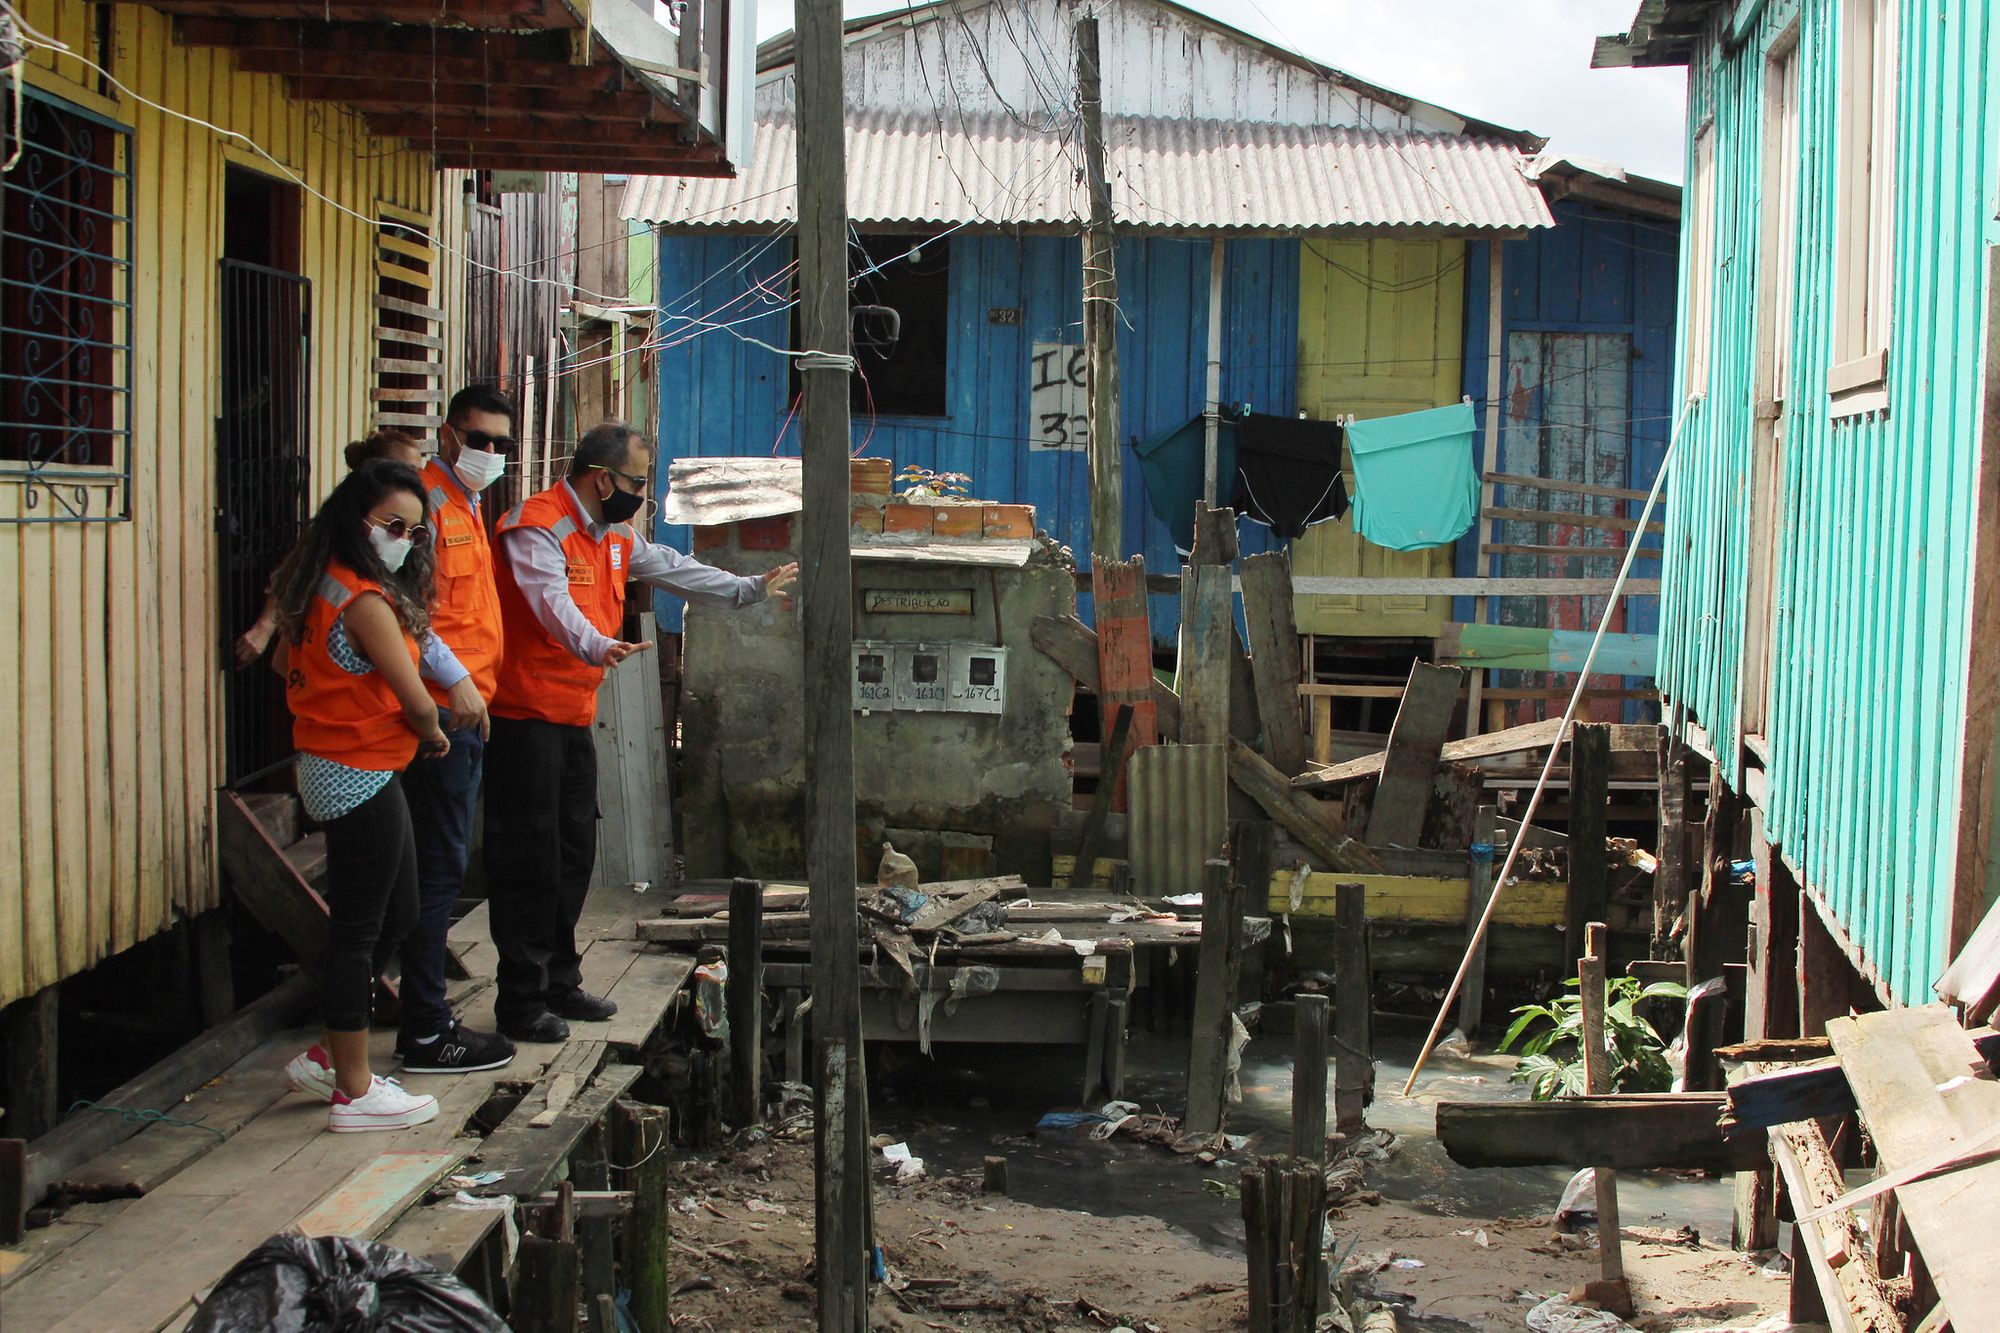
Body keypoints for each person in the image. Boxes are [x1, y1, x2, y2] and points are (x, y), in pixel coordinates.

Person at [484, 421, 798, 1042]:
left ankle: (559, 981)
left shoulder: (613, 534)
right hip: (522, 719)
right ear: (602, 478)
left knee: (573, 853)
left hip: (571, 716)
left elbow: (674, 568)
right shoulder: (536, 526)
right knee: (529, 859)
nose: (640, 494)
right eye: (635, 481)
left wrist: (750, 589)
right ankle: (519, 1000)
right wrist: (598, 644)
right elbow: (552, 606)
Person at [272, 459, 446, 1132]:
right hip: (357, 768)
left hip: (341, 761)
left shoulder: (320, 581)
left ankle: (330, 1057)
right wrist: (435, 730)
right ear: (356, 519)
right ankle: (352, 1088)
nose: (403, 538)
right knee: (359, 929)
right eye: (391, 525)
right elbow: (414, 696)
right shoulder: (363, 600)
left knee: (395, 909)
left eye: (413, 529)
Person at [394, 386, 516, 1074]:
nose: (490, 453)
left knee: (430, 866)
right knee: (436, 869)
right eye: (480, 440)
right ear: (448, 436)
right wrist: (459, 681)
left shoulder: (466, 502)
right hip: (438, 712)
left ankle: (419, 1017)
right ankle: (426, 1027)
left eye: (501, 444)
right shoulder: (425, 504)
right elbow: (407, 608)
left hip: (462, 708)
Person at [232, 430, 425, 670]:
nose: (416, 480)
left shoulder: (413, 525)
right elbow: (295, 572)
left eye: (417, 471)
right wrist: (264, 628)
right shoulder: (339, 528)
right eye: (407, 470)